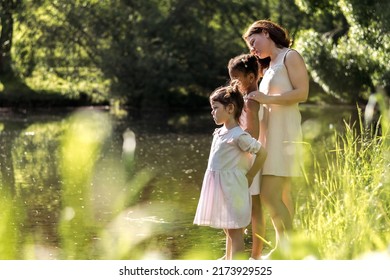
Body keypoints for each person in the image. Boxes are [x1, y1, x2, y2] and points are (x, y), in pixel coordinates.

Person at [242, 19, 309, 256]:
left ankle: (292, 248)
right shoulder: (269, 67)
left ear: (265, 32)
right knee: (280, 195)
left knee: (270, 194)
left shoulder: (290, 56)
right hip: (269, 137)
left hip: (286, 135)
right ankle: (284, 248)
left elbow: (302, 93)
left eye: (254, 41)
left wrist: (267, 100)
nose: (253, 49)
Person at [193, 84, 267, 260]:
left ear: (230, 108)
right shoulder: (220, 132)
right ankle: (228, 260)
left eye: (216, 108)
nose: (212, 112)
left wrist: (250, 175)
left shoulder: (238, 135)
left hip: (233, 188)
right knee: (228, 227)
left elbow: (262, 152)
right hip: (221, 188)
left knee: (235, 231)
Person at [227, 53, 266, 260]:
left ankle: (256, 255)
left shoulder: (251, 101)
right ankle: (230, 255)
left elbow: (253, 134)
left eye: (236, 78)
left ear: (251, 78)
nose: (233, 83)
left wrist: (234, 140)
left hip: (248, 159)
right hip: (238, 157)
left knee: (254, 206)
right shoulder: (244, 98)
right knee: (234, 205)